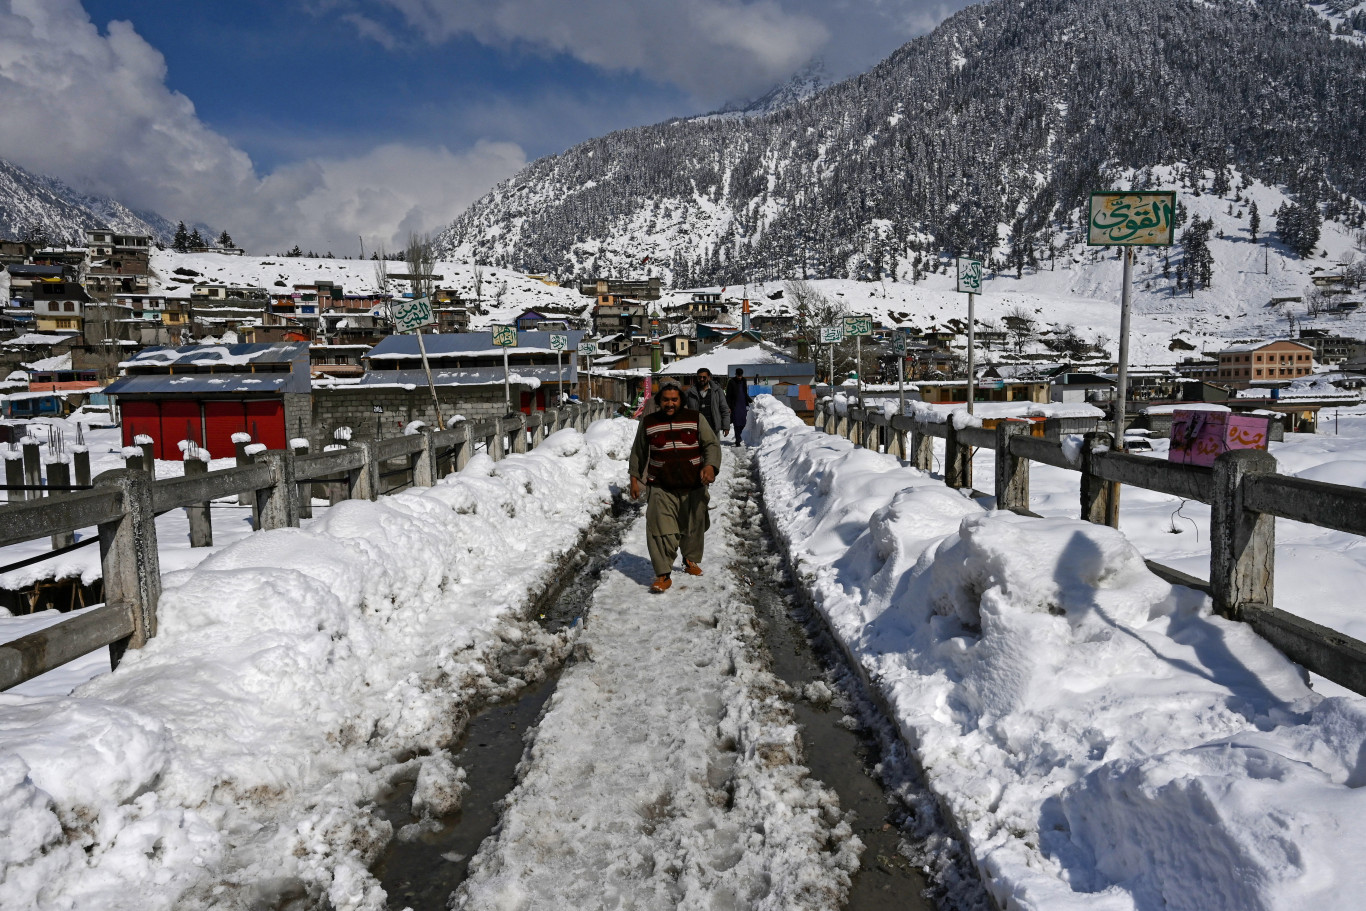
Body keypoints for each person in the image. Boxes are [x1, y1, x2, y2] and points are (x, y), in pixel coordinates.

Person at [629, 382, 722, 593]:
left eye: (674, 399)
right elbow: (638, 452)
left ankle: (690, 560)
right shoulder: (649, 422)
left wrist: (710, 466)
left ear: (681, 400)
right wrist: (634, 479)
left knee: (693, 526)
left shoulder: (696, 418)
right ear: (659, 401)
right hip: (661, 485)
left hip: (693, 485)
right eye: (666, 400)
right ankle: (663, 574)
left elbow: (711, 444)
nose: (670, 404)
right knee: (660, 530)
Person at [684, 368, 730, 437]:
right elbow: (684, 410)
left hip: (713, 429)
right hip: (696, 430)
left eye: (704, 377)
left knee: (713, 447)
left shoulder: (717, 391)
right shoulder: (690, 392)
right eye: (699, 377)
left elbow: (724, 409)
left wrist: (726, 426)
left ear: (709, 378)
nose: (702, 379)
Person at [727, 368, 753, 441]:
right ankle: (738, 439)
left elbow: (745, 393)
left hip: (742, 404)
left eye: (740, 376)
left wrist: (750, 400)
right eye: (738, 376)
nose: (739, 377)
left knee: (743, 422)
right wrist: (728, 406)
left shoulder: (744, 380)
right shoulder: (731, 382)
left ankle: (739, 435)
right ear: (736, 374)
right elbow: (728, 395)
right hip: (735, 405)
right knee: (736, 423)